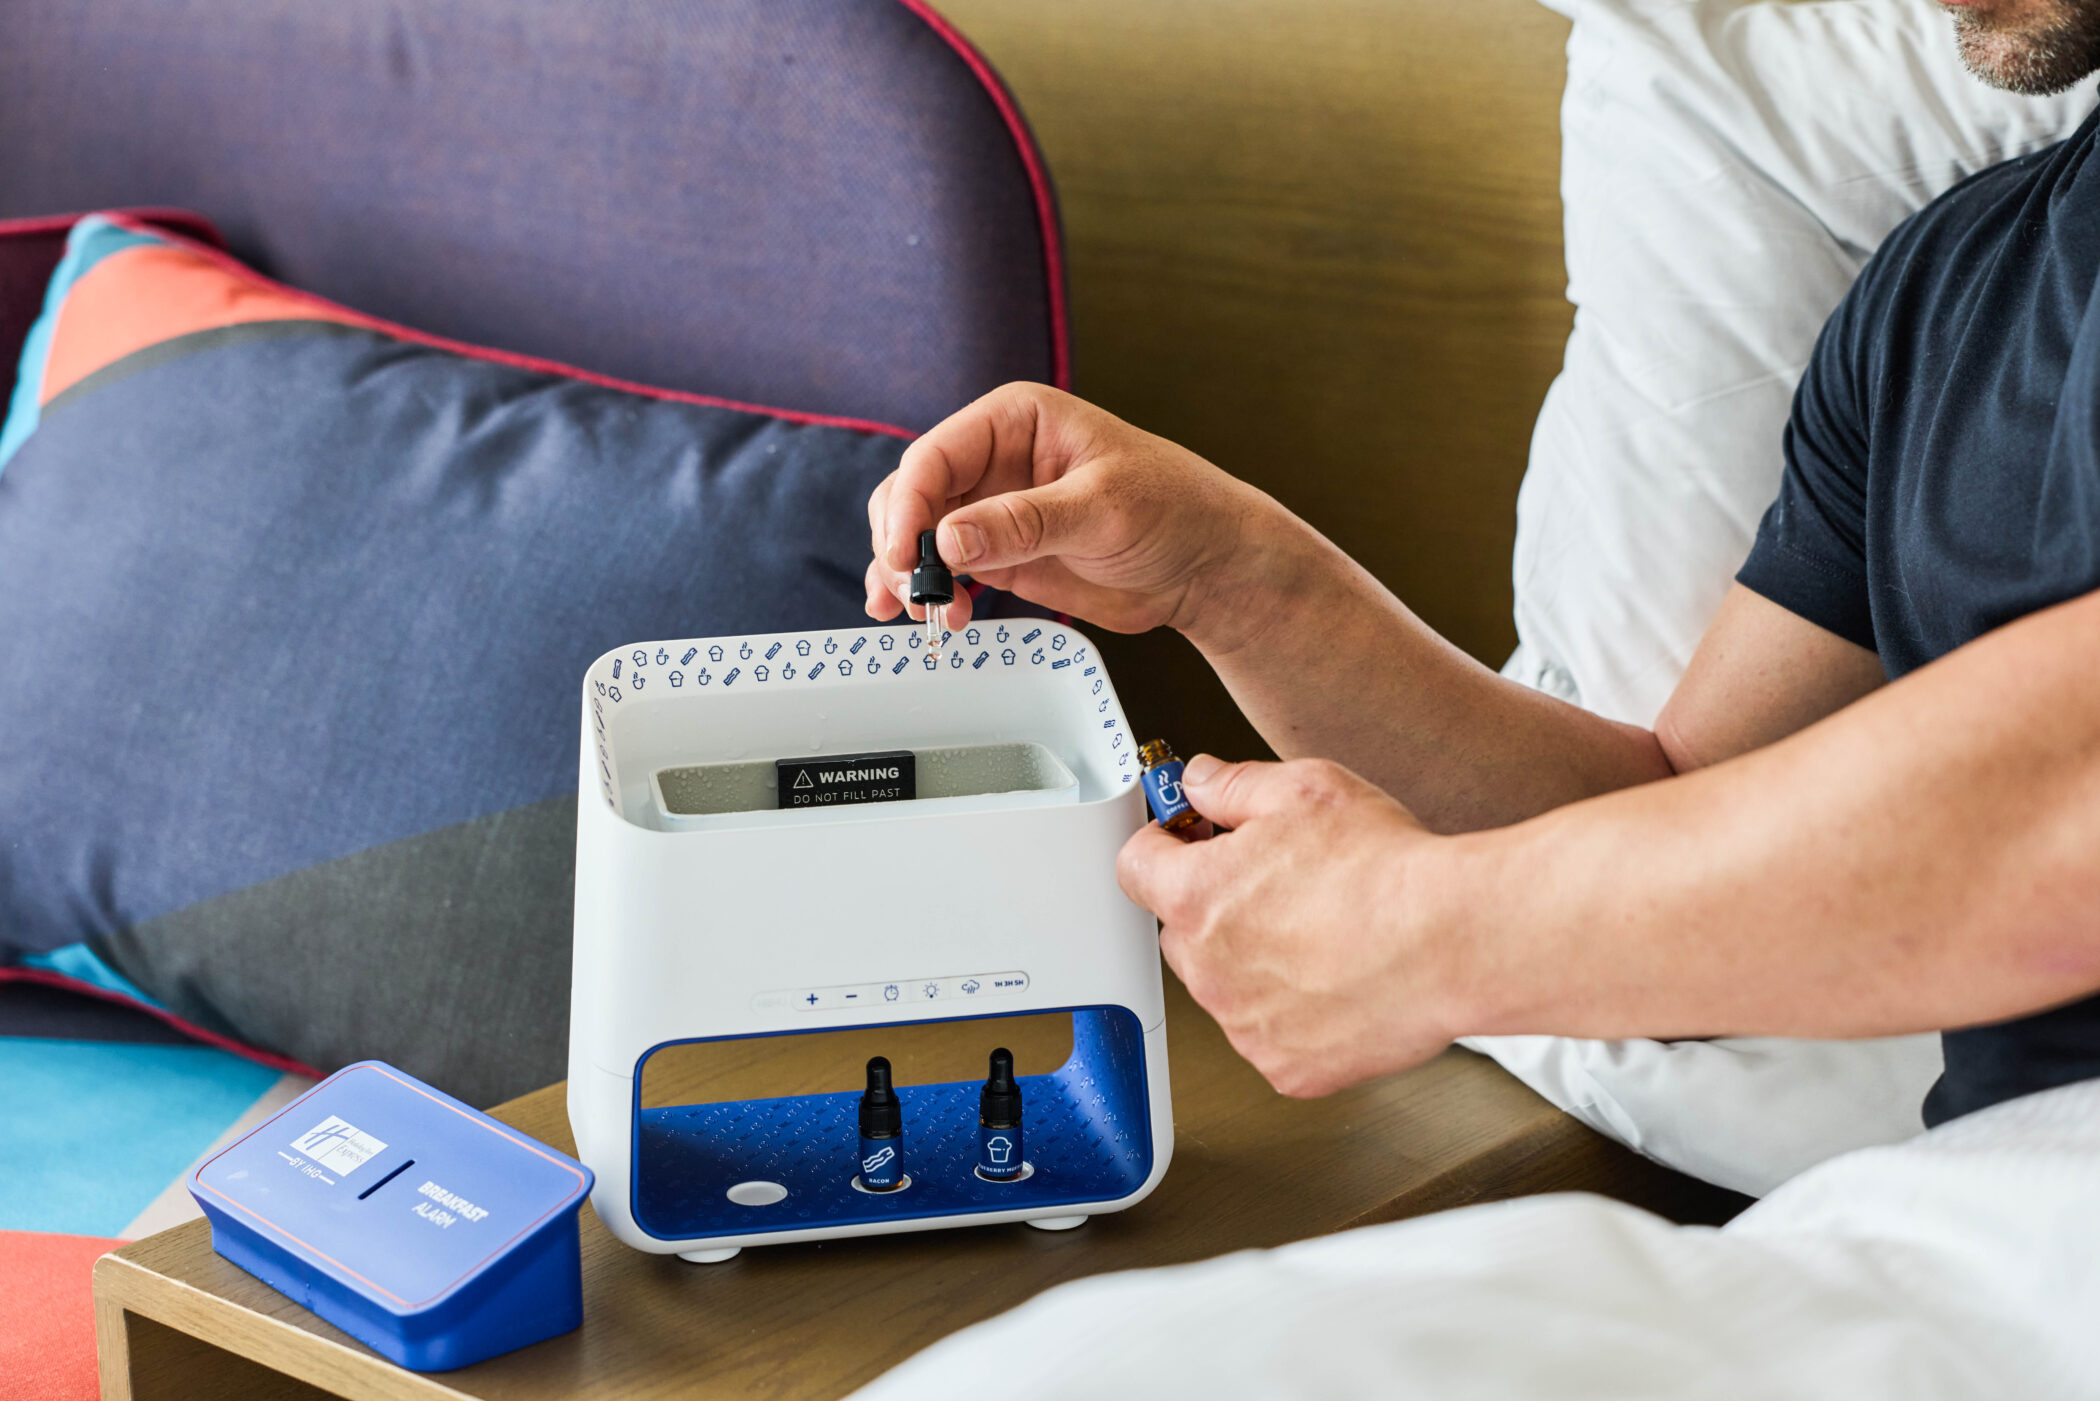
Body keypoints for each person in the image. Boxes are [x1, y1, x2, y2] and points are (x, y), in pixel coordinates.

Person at [865, 0, 2100, 1130]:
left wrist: (1423, 936)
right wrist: (1228, 575)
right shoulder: (1945, 294)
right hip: (1984, 1222)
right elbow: (1674, 852)